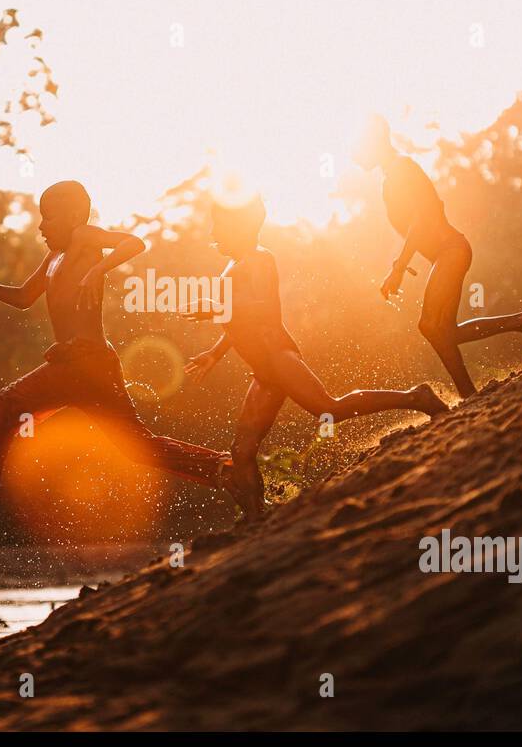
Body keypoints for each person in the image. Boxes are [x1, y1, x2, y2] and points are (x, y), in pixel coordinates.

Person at [0, 179, 230, 520]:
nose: (42, 226)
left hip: (83, 361)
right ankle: (221, 465)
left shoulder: (82, 237)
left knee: (6, 401)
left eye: (49, 217)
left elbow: (135, 242)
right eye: (41, 218)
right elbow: (23, 298)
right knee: (137, 446)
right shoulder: (54, 256)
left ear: (74, 216)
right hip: (88, 368)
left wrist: (98, 268)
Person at [183, 192, 447, 518]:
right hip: (262, 370)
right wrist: (214, 352)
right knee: (242, 450)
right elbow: (236, 322)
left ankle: (417, 398)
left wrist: (216, 308)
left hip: (277, 356)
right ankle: (255, 518)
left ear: (241, 228)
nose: (213, 235)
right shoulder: (232, 266)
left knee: (327, 408)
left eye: (219, 227)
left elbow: (265, 307)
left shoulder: (259, 259)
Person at [354, 116, 522, 398]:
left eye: (359, 150)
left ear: (376, 143)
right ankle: (520, 322)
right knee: (443, 330)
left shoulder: (402, 170)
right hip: (445, 255)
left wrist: (399, 267)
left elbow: (420, 218)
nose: (356, 158)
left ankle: (468, 392)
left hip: (451, 250)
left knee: (430, 325)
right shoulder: (391, 176)